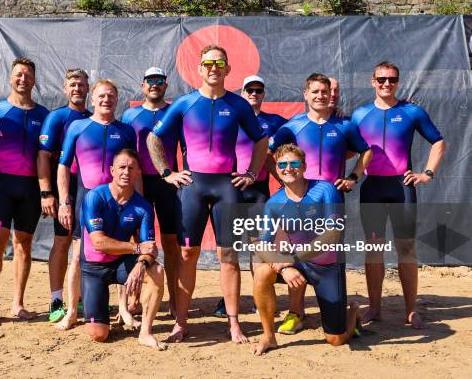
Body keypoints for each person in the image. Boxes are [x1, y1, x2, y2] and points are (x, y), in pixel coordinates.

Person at [147, 44, 268, 343]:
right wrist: (167, 173)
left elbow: (261, 140)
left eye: (219, 63)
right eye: (208, 63)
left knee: (229, 255)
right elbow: (154, 139)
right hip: (193, 186)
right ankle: (180, 322)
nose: (213, 67)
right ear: (199, 69)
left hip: (227, 186)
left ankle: (234, 323)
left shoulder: (238, 106)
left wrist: (251, 173)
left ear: (227, 70)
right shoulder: (185, 103)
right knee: (188, 253)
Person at [268, 72, 372, 334]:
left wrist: (353, 177)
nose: (320, 96)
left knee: (332, 257)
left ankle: (344, 313)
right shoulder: (293, 126)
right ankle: (295, 314)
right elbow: (270, 152)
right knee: (296, 257)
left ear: (331, 95)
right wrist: (284, 183)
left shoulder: (344, 125)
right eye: (315, 92)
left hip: (330, 201)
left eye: (324, 92)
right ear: (306, 95)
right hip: (299, 200)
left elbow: (366, 150)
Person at [351, 61, 446, 329]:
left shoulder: (412, 111)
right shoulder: (359, 115)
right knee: (373, 249)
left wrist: (427, 173)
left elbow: (438, 142)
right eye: (381, 79)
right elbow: (349, 146)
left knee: (405, 248)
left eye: (391, 80)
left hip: (402, 187)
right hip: (372, 188)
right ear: (372, 81)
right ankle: (376, 307)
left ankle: (411, 310)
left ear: (398, 82)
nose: (386, 84)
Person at [252, 144, 360, 355]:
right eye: (282, 164)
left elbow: (332, 235)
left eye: (294, 163)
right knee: (262, 270)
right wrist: (282, 268)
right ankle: (268, 336)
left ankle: (353, 313)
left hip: (327, 266)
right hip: (298, 263)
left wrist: (291, 259)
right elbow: (261, 244)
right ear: (277, 168)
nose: (288, 168)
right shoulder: (275, 203)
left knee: (336, 339)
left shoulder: (325, 190)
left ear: (304, 166)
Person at [0, 57, 50, 327]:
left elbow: (48, 156)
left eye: (28, 75)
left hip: (30, 191)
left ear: (34, 80)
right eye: (19, 74)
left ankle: (18, 303)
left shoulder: (44, 115)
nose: (23, 79)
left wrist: (47, 192)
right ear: (10, 78)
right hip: (0, 188)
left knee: (23, 246)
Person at [57, 79, 137, 329]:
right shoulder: (77, 127)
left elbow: (133, 169)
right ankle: (71, 311)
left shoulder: (126, 131)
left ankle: (123, 309)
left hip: (120, 201)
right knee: (78, 257)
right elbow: (62, 167)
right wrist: (64, 202)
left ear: (117, 99)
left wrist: (138, 202)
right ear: (92, 99)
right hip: (86, 199)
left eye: (111, 96)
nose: (106, 100)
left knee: (122, 252)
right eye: (101, 96)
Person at [214, 74, 287, 317]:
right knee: (228, 250)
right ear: (242, 93)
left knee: (260, 247)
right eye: (249, 90)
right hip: (230, 190)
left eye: (258, 90)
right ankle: (228, 301)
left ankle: (260, 297)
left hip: (258, 192)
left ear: (264, 93)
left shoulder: (275, 122)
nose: (254, 94)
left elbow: (305, 125)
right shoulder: (231, 118)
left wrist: (337, 112)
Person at [80, 149, 165, 349]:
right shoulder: (94, 197)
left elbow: (150, 248)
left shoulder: (143, 206)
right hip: (93, 269)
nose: (126, 172)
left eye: (131, 168)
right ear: (112, 170)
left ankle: (145, 332)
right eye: (121, 167)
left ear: (137, 172)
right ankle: (102, 316)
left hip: (120, 264)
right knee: (98, 335)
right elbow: (99, 243)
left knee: (157, 271)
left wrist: (142, 264)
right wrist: (136, 248)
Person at [122, 67, 180, 316]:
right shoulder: (129, 115)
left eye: (159, 81)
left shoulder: (174, 112)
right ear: (142, 85)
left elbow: (188, 148)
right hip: (138, 184)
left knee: (171, 242)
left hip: (168, 183)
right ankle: (133, 298)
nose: (154, 84)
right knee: (137, 242)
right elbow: (123, 154)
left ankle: (176, 300)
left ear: (165, 86)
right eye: (150, 81)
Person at [37, 69, 91, 324]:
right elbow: (44, 157)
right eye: (72, 84)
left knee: (85, 246)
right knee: (62, 243)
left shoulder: (94, 118)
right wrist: (48, 194)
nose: (77, 88)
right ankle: (56, 299)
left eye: (81, 84)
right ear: (64, 89)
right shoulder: (57, 117)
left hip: (88, 192)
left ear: (88, 88)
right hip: (64, 192)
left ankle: (79, 296)